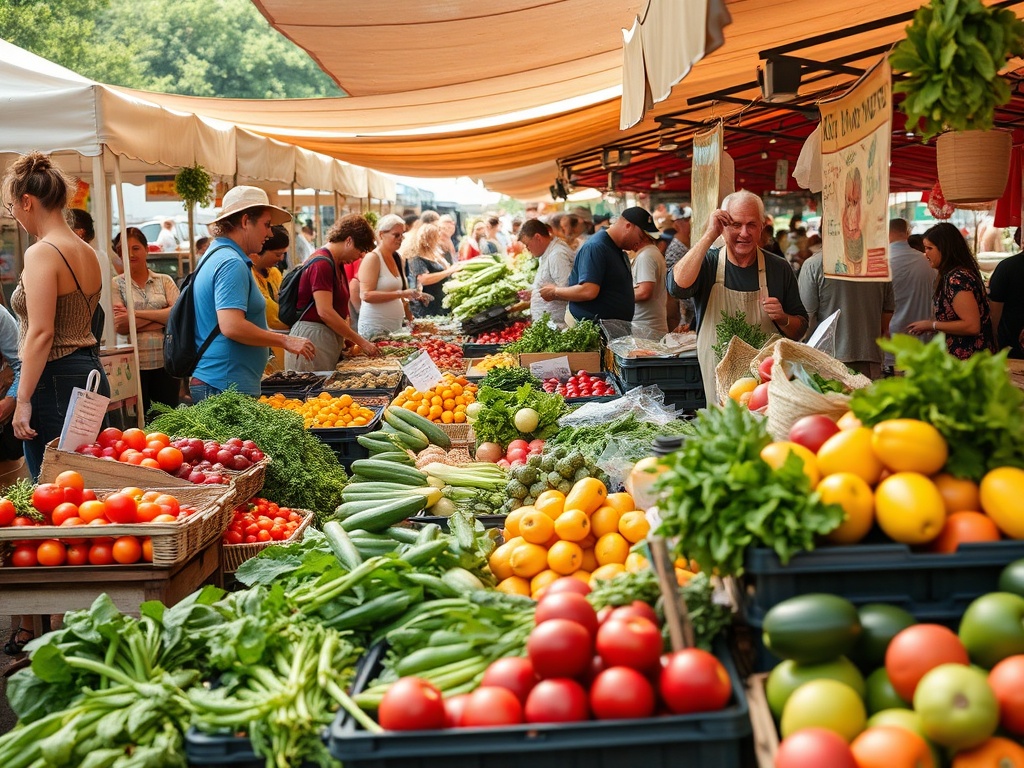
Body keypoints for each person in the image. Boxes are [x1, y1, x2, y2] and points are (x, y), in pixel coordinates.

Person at [4, 152, 110, 481]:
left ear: (26, 201)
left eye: (11, 208)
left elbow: (41, 333)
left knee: (54, 489)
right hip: (89, 373)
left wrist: (22, 399)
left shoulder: (41, 252)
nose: (16, 216)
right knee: (92, 483)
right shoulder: (88, 252)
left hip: (52, 379)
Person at [668, 190, 807, 406]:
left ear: (762, 227)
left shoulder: (778, 268)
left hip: (765, 390)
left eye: (751, 225)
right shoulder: (708, 264)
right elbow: (676, 287)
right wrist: (709, 235)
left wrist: (783, 318)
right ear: (723, 226)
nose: (744, 232)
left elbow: (800, 330)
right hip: (717, 386)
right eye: (735, 224)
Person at [190, 186, 314, 402]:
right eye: (267, 225)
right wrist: (285, 341)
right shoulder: (230, 262)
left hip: (223, 383)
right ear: (246, 221)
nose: (270, 233)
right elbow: (232, 326)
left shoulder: (218, 254)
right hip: (225, 386)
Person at [286, 213, 380, 371]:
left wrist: (347, 338)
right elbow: (325, 312)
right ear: (349, 241)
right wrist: (360, 341)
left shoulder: (336, 263)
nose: (359, 257)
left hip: (325, 338)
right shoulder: (321, 264)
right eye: (360, 251)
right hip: (312, 339)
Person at [539, 206, 658, 326]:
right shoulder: (596, 247)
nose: (641, 242)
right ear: (628, 226)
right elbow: (587, 291)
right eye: (641, 236)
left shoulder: (615, 247)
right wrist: (555, 292)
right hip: (595, 329)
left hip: (613, 329)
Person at [798, 242, 895, 379]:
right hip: (870, 357)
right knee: (866, 400)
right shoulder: (879, 264)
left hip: (826, 360)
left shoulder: (814, 264)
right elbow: (887, 314)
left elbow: (806, 319)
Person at [111, 227, 180, 413]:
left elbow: (177, 315)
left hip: (166, 362)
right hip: (133, 365)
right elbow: (122, 326)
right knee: (140, 425)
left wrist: (134, 313)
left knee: (167, 419)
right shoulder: (116, 284)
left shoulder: (164, 281)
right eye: (124, 250)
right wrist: (162, 318)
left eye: (136, 248)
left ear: (146, 249)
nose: (131, 254)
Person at [906, 222, 996, 360]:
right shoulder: (956, 275)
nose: (925, 254)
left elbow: (972, 325)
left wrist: (933, 325)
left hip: (970, 361)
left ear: (945, 249)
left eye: (929, 248)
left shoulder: (957, 279)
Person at [886, 218, 936, 372]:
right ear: (907, 233)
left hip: (891, 341)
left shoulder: (881, 262)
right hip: (922, 339)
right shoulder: (927, 262)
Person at [359, 214, 420, 338]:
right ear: (381, 235)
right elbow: (366, 295)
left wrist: (411, 320)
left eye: (402, 234)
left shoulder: (397, 257)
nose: (400, 238)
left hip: (396, 328)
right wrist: (400, 294)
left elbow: (403, 294)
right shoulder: (373, 258)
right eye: (396, 235)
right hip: (375, 328)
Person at [248, 225, 290, 371]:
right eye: (277, 254)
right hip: (259, 348)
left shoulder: (275, 274)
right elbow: (270, 314)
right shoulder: (248, 274)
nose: (281, 259)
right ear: (259, 252)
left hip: (280, 346)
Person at [519, 219, 574, 328]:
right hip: (550, 325)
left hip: (558, 325)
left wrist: (554, 292)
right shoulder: (547, 253)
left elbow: (570, 289)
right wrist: (534, 293)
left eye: (527, 244)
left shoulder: (557, 255)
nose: (527, 249)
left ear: (537, 237)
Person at [407, 223, 465, 318]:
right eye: (436, 236)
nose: (439, 238)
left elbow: (448, 267)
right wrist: (448, 272)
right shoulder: (416, 258)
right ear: (428, 239)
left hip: (441, 302)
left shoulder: (436, 253)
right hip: (428, 304)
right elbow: (424, 279)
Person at [987, 227, 1024, 359]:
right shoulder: (1006, 267)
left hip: (1011, 344)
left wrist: (993, 339)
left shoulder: (1006, 267)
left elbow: (995, 311)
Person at [631, 230, 669, 338]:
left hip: (645, 330)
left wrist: (617, 297)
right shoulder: (651, 253)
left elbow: (644, 292)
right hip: (648, 329)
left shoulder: (646, 256)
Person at [664, 208, 694, 332]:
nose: (691, 223)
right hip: (685, 310)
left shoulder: (686, 245)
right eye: (687, 220)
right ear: (679, 224)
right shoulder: (674, 250)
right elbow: (676, 286)